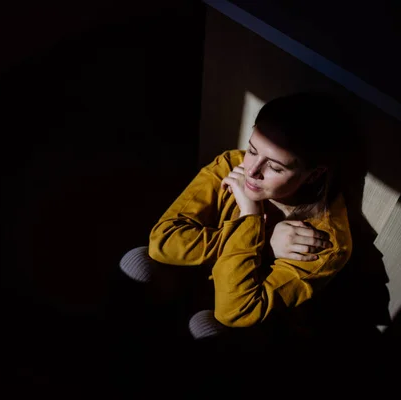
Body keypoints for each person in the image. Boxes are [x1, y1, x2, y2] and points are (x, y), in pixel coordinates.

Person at [119, 92, 355, 346]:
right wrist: (263, 242)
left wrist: (250, 214)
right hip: (201, 275)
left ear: (313, 174)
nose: (252, 171)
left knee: (207, 327)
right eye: (252, 150)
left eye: (275, 168)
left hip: (248, 317)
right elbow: (163, 240)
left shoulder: (325, 241)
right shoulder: (233, 164)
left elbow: (234, 311)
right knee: (139, 262)